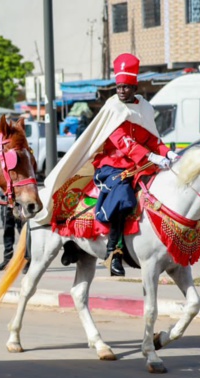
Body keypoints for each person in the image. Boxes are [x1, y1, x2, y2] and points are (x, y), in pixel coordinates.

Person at [37, 53, 179, 277]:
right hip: (112, 167)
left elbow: (152, 139)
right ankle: (114, 251)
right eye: (118, 87)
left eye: (125, 87)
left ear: (134, 87)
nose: (121, 91)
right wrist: (152, 157)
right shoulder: (113, 109)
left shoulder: (144, 108)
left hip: (140, 166)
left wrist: (168, 153)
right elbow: (125, 143)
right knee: (124, 198)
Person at [0, 189, 31, 273]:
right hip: (7, 199)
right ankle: (7, 259)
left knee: (23, 233)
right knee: (7, 230)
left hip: (20, 200)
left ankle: (26, 261)